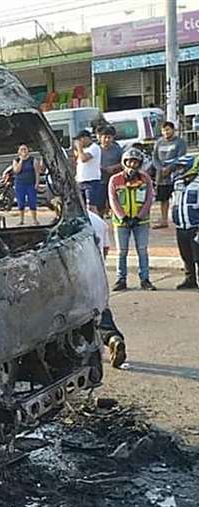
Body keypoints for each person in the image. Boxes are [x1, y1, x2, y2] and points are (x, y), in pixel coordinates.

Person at [108, 148, 156, 291]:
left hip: (141, 222)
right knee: (122, 251)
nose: (132, 165)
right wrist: (123, 217)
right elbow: (113, 200)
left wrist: (138, 217)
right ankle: (121, 279)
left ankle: (145, 279)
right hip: (121, 222)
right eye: (129, 161)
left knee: (142, 250)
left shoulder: (145, 179)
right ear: (124, 162)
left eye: (136, 162)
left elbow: (149, 199)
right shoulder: (115, 180)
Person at [87, 208, 127, 368]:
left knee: (80, 317)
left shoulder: (67, 224)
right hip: (97, 275)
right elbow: (105, 249)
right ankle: (112, 337)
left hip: (77, 278)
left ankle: (91, 358)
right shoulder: (98, 221)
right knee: (102, 311)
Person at [152, 121, 187, 229]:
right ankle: (164, 220)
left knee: (178, 197)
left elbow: (181, 157)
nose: (166, 132)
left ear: (173, 130)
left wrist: (170, 168)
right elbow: (155, 158)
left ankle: (180, 218)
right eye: (163, 130)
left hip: (176, 174)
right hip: (161, 175)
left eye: (168, 129)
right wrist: (160, 168)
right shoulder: (159, 142)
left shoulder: (180, 142)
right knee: (163, 199)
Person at [171, 156, 199, 290]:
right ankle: (190, 279)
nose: (179, 170)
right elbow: (175, 203)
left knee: (197, 255)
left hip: (195, 226)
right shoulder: (178, 184)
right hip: (181, 226)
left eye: (181, 167)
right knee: (186, 255)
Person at [11, 144, 42, 226]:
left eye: (25, 149)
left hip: (30, 184)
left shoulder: (33, 160)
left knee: (32, 201)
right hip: (20, 184)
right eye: (21, 149)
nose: (24, 151)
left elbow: (37, 173)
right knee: (20, 202)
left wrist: (37, 183)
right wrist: (21, 160)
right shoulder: (16, 160)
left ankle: (35, 220)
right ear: (19, 152)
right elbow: (16, 170)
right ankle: (21, 220)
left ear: (28, 150)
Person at [74, 130, 103, 212]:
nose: (79, 142)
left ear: (86, 138)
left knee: (91, 207)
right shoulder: (83, 150)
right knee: (82, 207)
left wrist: (79, 148)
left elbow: (84, 159)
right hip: (81, 181)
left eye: (80, 140)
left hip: (91, 181)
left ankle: (96, 223)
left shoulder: (94, 148)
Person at [97, 126, 123, 214]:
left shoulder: (118, 149)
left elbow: (123, 162)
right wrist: (102, 168)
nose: (107, 140)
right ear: (100, 138)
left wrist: (114, 167)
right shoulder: (96, 149)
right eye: (105, 137)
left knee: (115, 202)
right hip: (100, 180)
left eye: (109, 137)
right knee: (100, 204)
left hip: (114, 179)